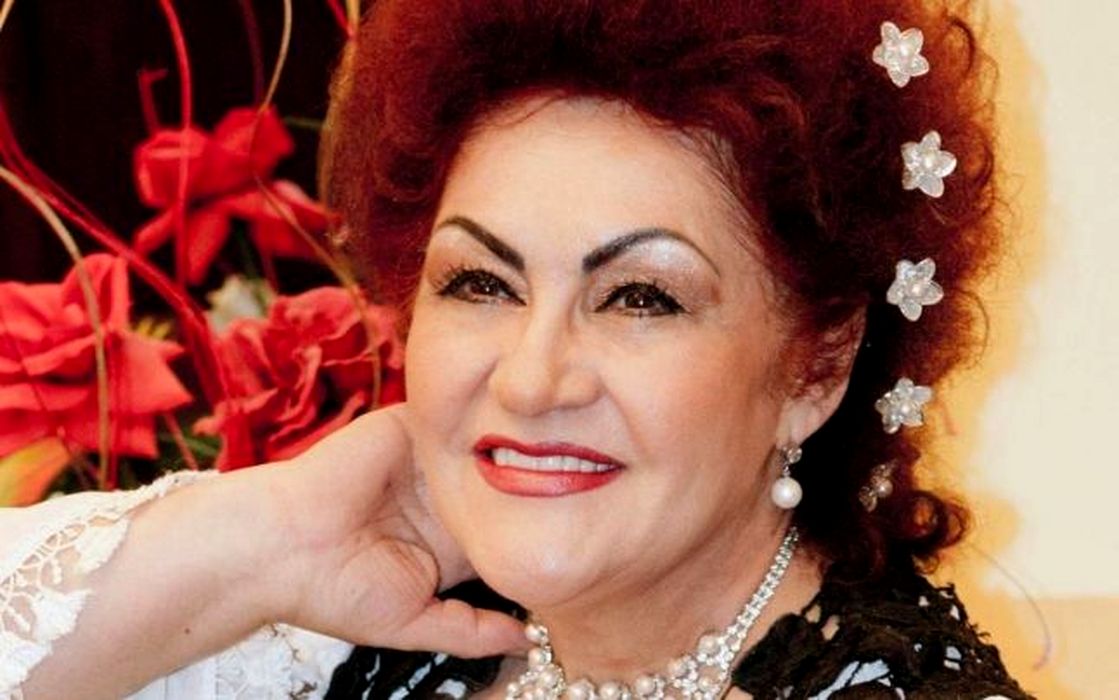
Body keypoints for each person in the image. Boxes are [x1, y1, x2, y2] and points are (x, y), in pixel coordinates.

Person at [0, 0, 1032, 698]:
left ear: (817, 366)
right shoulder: (361, 636)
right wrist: (277, 537)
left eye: (639, 298)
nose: (533, 379)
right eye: (481, 283)